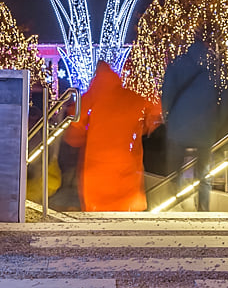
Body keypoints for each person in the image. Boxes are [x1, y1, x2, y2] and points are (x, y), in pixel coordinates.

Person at [63, 61, 162, 212]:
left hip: (97, 162)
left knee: (98, 205)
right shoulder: (129, 96)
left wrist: (77, 137)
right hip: (125, 159)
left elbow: (75, 128)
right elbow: (154, 108)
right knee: (124, 201)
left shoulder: (90, 97)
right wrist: (143, 128)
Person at [162, 35, 220, 211]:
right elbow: (224, 96)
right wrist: (219, 121)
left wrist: (167, 116)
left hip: (179, 126)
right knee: (204, 172)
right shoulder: (214, 66)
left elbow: (168, 93)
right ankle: (203, 209)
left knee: (175, 169)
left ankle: (173, 206)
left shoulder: (178, 64)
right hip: (206, 128)